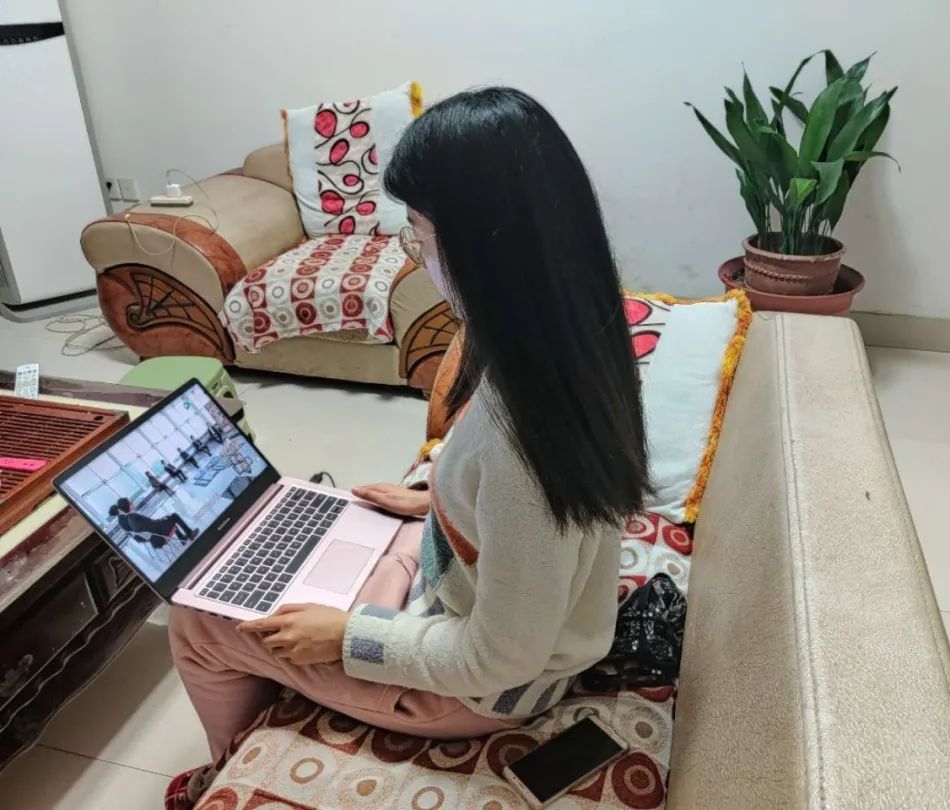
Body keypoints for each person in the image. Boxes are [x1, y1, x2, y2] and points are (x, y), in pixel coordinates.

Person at [165, 87, 649, 809]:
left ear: (483, 246)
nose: (416, 256)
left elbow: (495, 658)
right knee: (325, 530)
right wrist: (436, 502)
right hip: (462, 591)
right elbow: (528, 521)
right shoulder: (575, 345)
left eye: (419, 232)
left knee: (197, 620)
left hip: (483, 692)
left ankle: (226, 771)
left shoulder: (527, 445)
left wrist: (347, 638)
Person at [109, 498, 196, 547]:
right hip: (159, 536)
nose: (133, 503)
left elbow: (149, 526)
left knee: (169, 519)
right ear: (129, 506)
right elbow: (152, 526)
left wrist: (161, 520)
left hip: (154, 535)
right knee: (174, 516)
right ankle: (190, 534)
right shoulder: (133, 517)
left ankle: (183, 538)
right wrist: (161, 520)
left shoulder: (130, 518)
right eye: (131, 502)